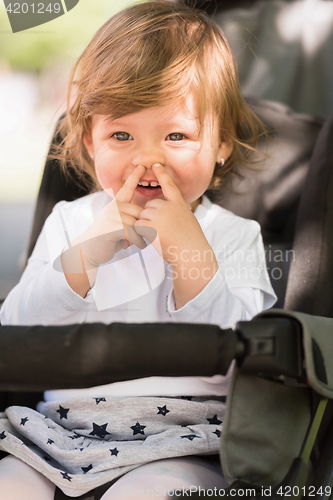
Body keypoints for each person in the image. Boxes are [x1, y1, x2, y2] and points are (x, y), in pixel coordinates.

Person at [0, 1, 276, 498]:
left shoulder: (235, 234)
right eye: (121, 134)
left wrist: (190, 253)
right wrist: (87, 251)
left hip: (185, 443)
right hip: (59, 435)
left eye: (176, 135)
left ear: (222, 145)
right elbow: (16, 336)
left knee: (146, 492)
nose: (148, 158)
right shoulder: (72, 222)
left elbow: (247, 360)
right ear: (89, 140)